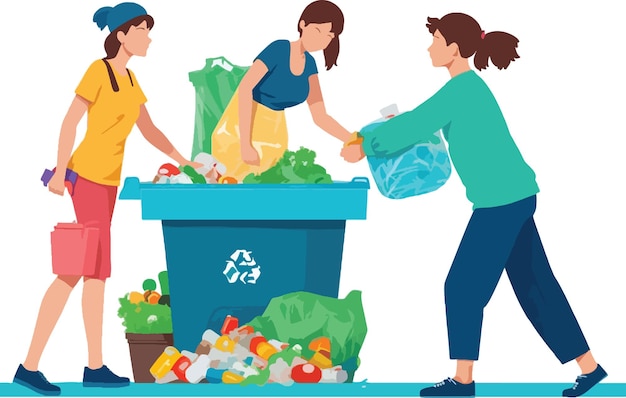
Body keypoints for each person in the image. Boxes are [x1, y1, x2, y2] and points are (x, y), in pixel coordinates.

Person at [341, 12, 607, 398]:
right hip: (514, 196)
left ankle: (463, 382)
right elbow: (420, 122)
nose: (429, 47)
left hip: (501, 202)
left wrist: (366, 145)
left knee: (462, 287)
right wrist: (390, 131)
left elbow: (418, 123)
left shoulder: (462, 89)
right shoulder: (466, 89)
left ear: (453, 47)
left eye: (434, 40)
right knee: (536, 286)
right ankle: (590, 368)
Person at [13, 3, 200, 396]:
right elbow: (70, 120)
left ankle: (93, 365)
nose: (149, 37)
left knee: (94, 275)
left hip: (107, 185)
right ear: (121, 34)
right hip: (88, 181)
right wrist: (61, 171)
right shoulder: (99, 72)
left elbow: (148, 129)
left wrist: (185, 161)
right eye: (144, 30)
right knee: (72, 273)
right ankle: (29, 366)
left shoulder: (131, 80)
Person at [211, 0, 357, 182]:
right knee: (234, 185)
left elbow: (320, 116)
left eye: (328, 36)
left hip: (274, 135)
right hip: (238, 129)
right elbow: (245, 87)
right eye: (317, 31)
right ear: (302, 24)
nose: (320, 40)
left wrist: (353, 139)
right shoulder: (279, 49)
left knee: (267, 187)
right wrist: (245, 144)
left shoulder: (310, 65)